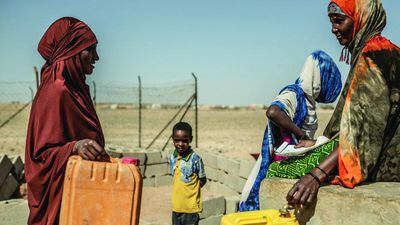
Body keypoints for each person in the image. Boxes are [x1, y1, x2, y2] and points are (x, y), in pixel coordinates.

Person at [285, 0, 400, 207]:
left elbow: (362, 131)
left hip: (386, 169)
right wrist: (320, 143)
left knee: (280, 170)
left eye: (339, 21)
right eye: (331, 22)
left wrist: (316, 175)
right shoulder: (387, 51)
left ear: (360, 19)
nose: (333, 29)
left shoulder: (372, 57)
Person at [25, 17, 109, 225]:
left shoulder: (75, 91)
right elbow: (40, 159)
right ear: (71, 52)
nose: (97, 57)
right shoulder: (57, 91)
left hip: (80, 195)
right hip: (61, 205)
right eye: (91, 49)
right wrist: (74, 147)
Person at [240, 50, 342, 211]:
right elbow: (273, 112)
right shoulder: (294, 93)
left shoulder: (307, 100)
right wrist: (302, 136)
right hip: (283, 159)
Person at [169, 122, 207, 225]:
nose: (180, 144)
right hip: (176, 208)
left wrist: (192, 190)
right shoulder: (172, 157)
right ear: (172, 139)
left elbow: (203, 179)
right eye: (177, 140)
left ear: (191, 139)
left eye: (184, 141)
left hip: (191, 210)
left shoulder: (195, 159)